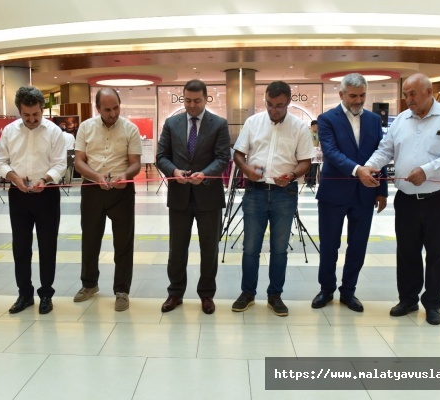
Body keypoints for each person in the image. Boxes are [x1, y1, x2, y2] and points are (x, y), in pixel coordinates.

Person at [357, 73, 440, 325]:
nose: (408, 99)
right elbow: (385, 150)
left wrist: (427, 170)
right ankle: (407, 299)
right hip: (406, 199)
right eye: (405, 94)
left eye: (413, 94)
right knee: (407, 252)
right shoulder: (402, 120)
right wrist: (369, 167)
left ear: (429, 92)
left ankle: (433, 303)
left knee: (438, 253)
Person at [231, 81, 315, 317]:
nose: (273, 110)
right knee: (250, 247)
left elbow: (306, 162)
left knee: (279, 249)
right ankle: (247, 293)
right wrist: (246, 170)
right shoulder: (253, 122)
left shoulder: (299, 128)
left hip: (284, 194)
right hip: (255, 192)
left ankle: (275, 295)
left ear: (288, 102)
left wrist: (292, 175)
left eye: (278, 106)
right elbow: (238, 153)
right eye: (269, 104)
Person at [311, 73, 389, 313]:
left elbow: (381, 154)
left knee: (358, 245)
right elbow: (331, 152)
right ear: (342, 94)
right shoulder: (327, 119)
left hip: (365, 194)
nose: (358, 100)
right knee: (329, 245)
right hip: (333, 194)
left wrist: (382, 190)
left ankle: (349, 291)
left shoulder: (375, 120)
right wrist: (358, 171)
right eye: (353, 96)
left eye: (362, 95)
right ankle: (326, 289)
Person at [156, 79, 230, 315]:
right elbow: (161, 156)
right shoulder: (171, 123)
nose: (192, 105)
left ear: (206, 99)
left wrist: (205, 174)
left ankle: (207, 294)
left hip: (208, 196)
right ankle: (175, 292)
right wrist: (174, 172)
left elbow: (222, 158)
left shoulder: (218, 124)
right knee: (177, 248)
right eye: (187, 100)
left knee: (209, 249)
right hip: (179, 195)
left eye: (197, 101)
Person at [0, 86, 66, 315]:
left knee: (47, 246)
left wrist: (45, 179)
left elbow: (60, 164)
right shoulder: (9, 131)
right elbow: (0, 161)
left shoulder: (54, 132)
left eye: (36, 114)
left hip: (46, 194)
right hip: (18, 194)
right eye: (26, 115)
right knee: (21, 247)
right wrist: (14, 177)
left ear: (41, 109)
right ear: (19, 111)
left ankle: (46, 293)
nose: (32, 119)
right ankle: (24, 294)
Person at [73, 88, 141, 312]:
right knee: (90, 239)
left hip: (121, 191)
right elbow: (79, 161)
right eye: (107, 109)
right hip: (92, 187)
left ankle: (122, 290)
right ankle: (89, 284)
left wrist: (126, 175)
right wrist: (95, 176)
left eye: (116, 108)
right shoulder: (86, 127)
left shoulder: (130, 129)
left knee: (123, 241)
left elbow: (135, 163)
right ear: (98, 108)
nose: (113, 113)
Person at [305, 120, 320, 187]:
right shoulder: (308, 133)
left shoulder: (319, 134)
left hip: (316, 153)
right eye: (316, 126)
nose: (317, 127)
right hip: (308, 153)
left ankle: (312, 182)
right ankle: (308, 181)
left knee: (314, 168)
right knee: (308, 168)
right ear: (313, 126)